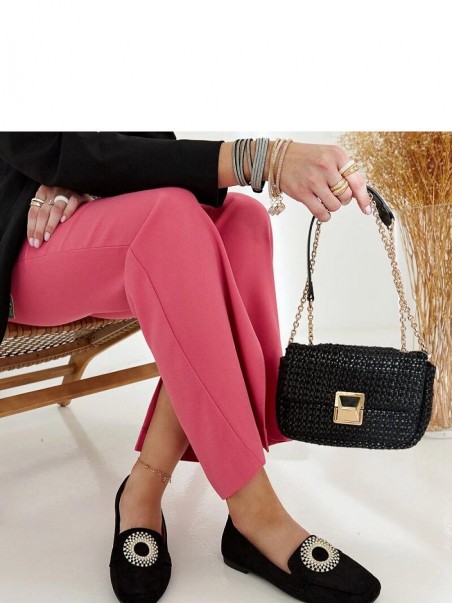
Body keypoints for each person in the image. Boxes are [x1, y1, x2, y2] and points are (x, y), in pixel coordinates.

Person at [0, 132, 381, 603]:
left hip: (80, 205)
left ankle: (143, 487)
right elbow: (42, 145)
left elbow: (134, 140)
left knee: (242, 220)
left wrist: (85, 179)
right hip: (19, 232)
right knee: (169, 220)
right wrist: (263, 158)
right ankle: (254, 511)